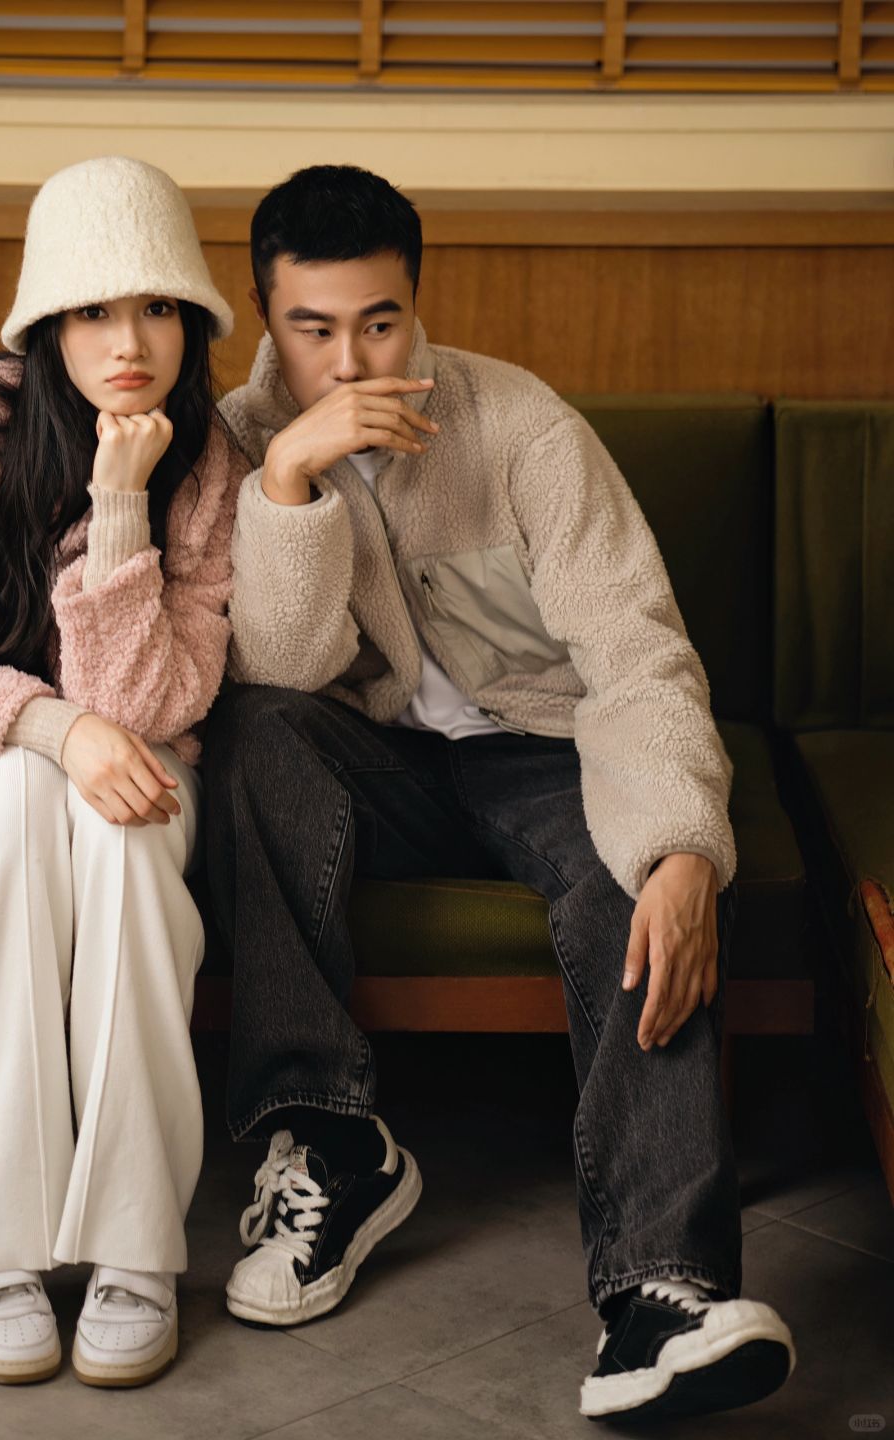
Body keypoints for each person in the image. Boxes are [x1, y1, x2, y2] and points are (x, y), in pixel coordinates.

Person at [203, 164, 796, 1422]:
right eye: (313, 329)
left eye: (380, 322)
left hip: (548, 753)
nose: (350, 362)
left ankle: (662, 1298)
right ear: (263, 316)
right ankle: (334, 1147)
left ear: (417, 302)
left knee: (640, 885)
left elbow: (636, 655)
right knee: (251, 732)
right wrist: (289, 481)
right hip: (369, 763)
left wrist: (682, 848)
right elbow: (277, 671)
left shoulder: (520, 425)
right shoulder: (237, 441)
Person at [0, 156, 245, 1389]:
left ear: (192, 319)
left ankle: (134, 1249)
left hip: (137, 764)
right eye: (94, 309)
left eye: (158, 307)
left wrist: (120, 509)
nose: (129, 342)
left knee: (122, 833)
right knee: (24, 798)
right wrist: (51, 730)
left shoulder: (208, 462)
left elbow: (156, 705)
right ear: (47, 320)